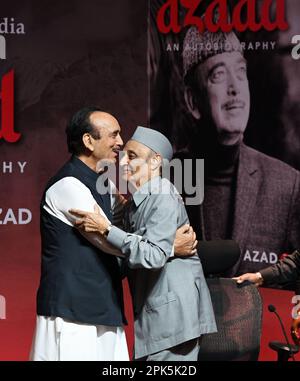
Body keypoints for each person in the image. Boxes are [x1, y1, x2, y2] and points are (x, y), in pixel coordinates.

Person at [30, 107, 196, 361]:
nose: (119, 142)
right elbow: (107, 241)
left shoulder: (107, 186)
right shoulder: (68, 185)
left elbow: (126, 228)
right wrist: (168, 246)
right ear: (88, 141)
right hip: (72, 311)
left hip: (104, 306)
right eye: (114, 135)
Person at [70, 126, 217, 361]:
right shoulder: (134, 205)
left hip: (174, 320)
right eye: (123, 155)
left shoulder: (162, 194)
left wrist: (106, 229)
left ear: (156, 161)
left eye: (133, 156)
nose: (123, 162)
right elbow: (128, 255)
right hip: (156, 319)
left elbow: (153, 255)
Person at [178, 26, 300, 279]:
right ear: (192, 100)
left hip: (258, 315)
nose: (234, 88)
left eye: (241, 72)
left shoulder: (285, 183)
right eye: (219, 75)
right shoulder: (171, 175)